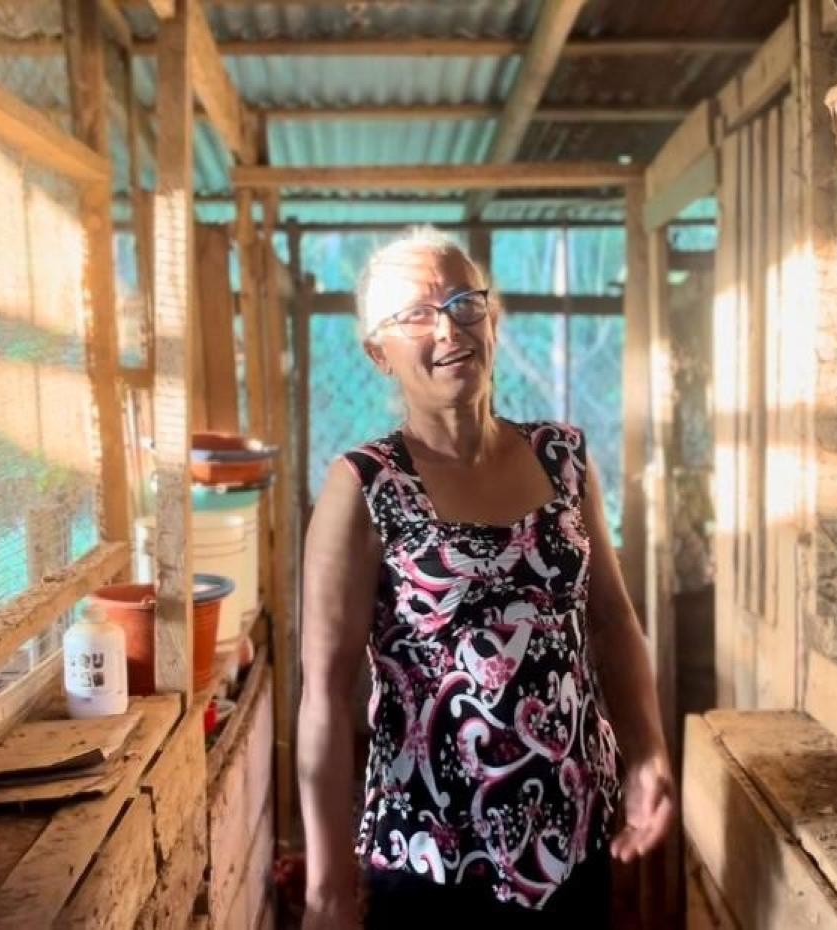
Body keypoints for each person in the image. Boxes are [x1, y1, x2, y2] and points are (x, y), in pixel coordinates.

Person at [297, 228, 674, 929]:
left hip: (571, 831)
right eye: (416, 313)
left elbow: (614, 621)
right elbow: (323, 691)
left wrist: (647, 751)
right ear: (378, 352)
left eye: (465, 301)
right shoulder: (365, 486)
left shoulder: (563, 457)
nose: (449, 327)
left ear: (492, 319)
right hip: (432, 851)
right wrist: (326, 887)